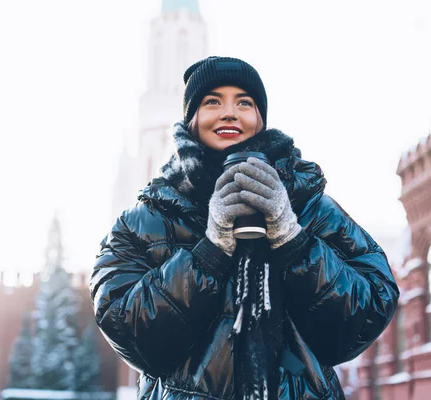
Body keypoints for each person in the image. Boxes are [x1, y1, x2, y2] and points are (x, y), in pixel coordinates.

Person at [90, 56, 399, 400]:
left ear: (260, 119)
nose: (229, 112)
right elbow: (129, 333)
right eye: (212, 102)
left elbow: (367, 314)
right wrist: (209, 252)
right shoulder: (146, 219)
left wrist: (292, 238)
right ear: (191, 119)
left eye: (244, 102)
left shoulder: (309, 204)